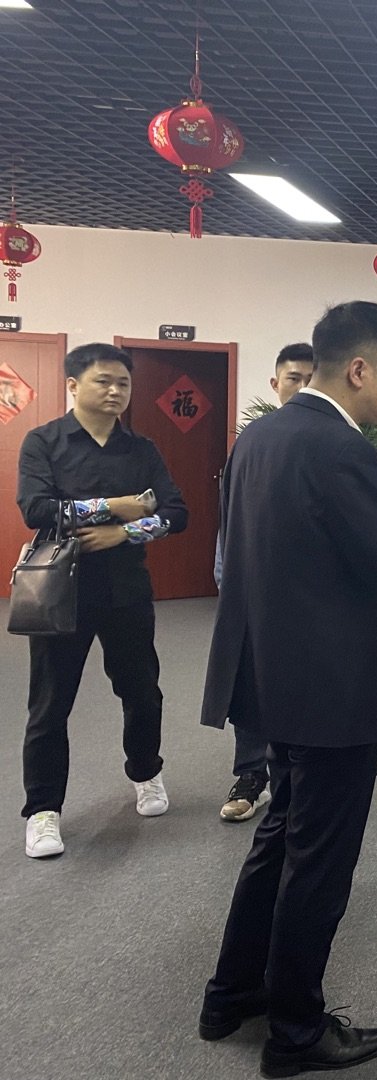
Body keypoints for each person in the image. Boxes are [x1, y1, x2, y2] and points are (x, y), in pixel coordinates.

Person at [196, 301, 377, 1077]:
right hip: (329, 691)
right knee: (319, 865)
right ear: (360, 369)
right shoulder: (341, 450)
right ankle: (296, 1033)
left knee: (279, 839)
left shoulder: (260, 437)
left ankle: (232, 994)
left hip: (271, 679)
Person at [16, 343, 188, 859]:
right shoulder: (44, 442)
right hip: (58, 591)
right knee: (50, 704)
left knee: (142, 692)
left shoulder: (142, 450)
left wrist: (124, 531)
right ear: (73, 384)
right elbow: (37, 509)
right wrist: (115, 505)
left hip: (126, 589)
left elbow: (175, 513)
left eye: (123, 384)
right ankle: (43, 810)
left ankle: (146, 772)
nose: (115, 391)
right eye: (103, 381)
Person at [218, 342, 315, 823]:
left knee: (299, 689)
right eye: (293, 378)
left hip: (308, 599)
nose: (302, 387)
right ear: (276, 384)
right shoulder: (254, 441)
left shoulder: (332, 442)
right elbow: (231, 516)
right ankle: (250, 775)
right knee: (252, 686)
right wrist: (227, 580)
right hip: (254, 592)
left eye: (310, 378)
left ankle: (293, 777)